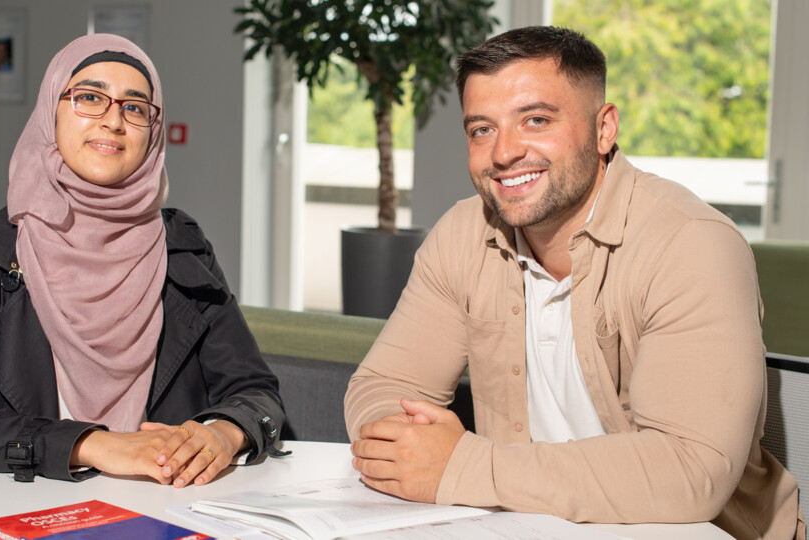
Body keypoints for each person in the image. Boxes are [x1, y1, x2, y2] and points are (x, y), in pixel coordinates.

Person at [344, 26, 803, 539]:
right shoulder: (461, 234)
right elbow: (384, 386)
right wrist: (406, 448)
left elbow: (691, 471)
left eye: (535, 120)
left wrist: (463, 466)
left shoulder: (692, 244)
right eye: (482, 130)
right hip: (525, 525)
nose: (504, 153)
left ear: (604, 128)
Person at [0, 33, 285, 488]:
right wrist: (92, 444)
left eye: (134, 107)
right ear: (52, 110)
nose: (113, 121)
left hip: (165, 504)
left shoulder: (183, 247)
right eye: (89, 97)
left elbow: (256, 392)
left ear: (154, 130)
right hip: (27, 509)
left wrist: (224, 434)